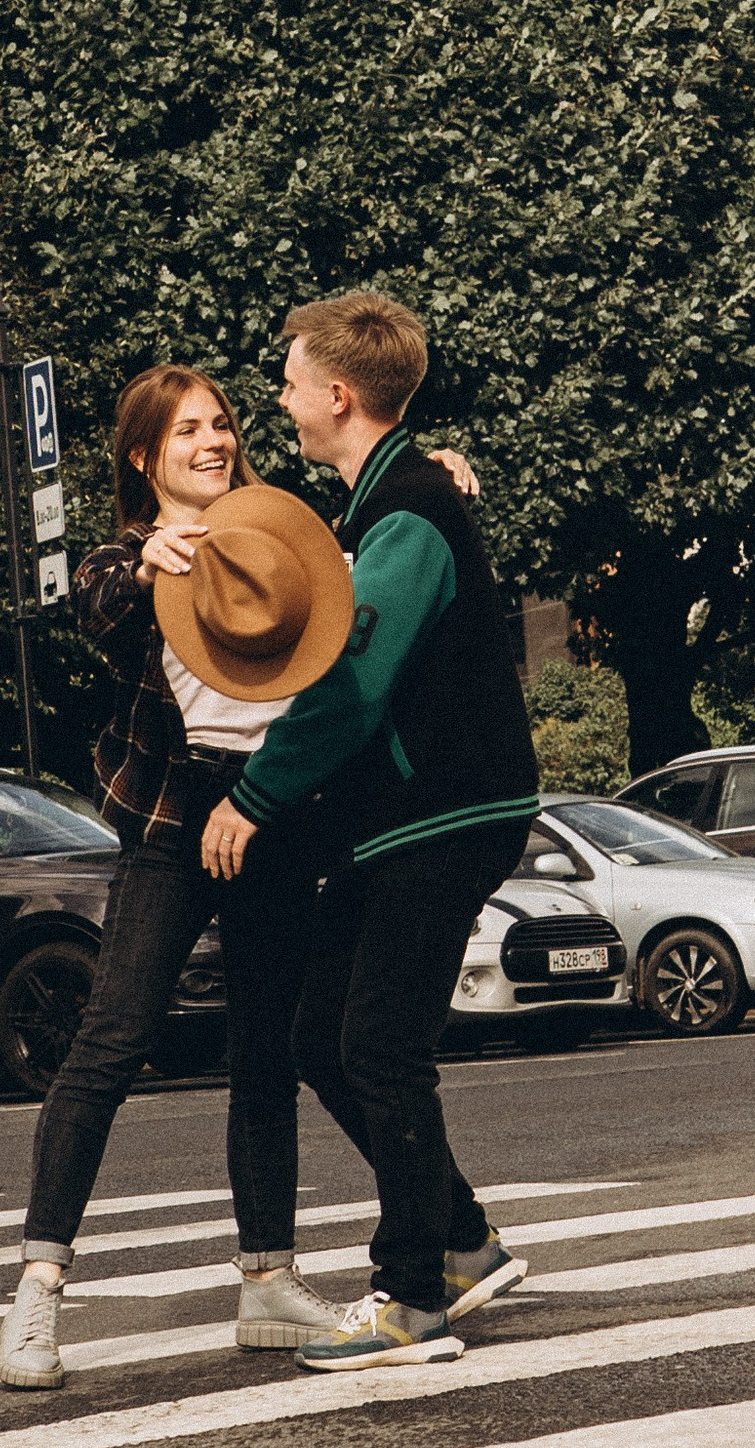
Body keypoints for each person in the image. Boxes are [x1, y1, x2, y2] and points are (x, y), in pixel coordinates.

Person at [0, 367, 358, 1393]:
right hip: (171, 816)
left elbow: (355, 566)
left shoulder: (278, 532)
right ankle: (37, 1288)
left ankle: (268, 1278)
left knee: (265, 1051)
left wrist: (443, 474)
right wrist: (148, 566)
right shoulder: (128, 557)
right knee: (111, 1038)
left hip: (273, 815)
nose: (214, 440)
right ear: (146, 458)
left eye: (223, 424)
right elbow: (96, 605)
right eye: (188, 430)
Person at [203, 291, 537, 1373]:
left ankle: (410, 1299)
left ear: (338, 395)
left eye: (292, 380)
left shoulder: (407, 513)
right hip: (400, 822)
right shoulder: (390, 499)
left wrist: (251, 796)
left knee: (381, 1046)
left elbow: (352, 685)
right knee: (321, 1037)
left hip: (441, 814)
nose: (282, 398)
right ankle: (463, 1240)